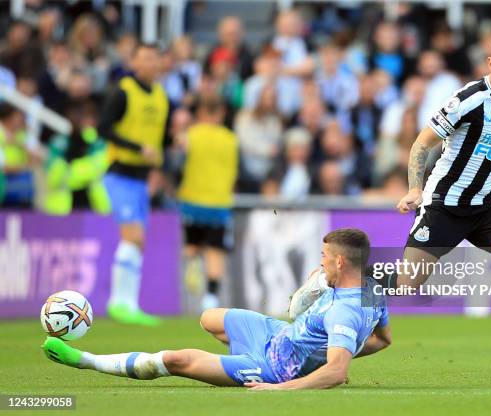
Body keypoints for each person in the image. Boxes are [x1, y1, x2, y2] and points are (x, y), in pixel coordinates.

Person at [42, 228, 391, 389]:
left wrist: (283, 386)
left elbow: (337, 372)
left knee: (177, 360)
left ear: (341, 261)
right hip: (277, 334)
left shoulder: (345, 311)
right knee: (210, 319)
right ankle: (234, 358)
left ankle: (84, 359)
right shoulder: (371, 290)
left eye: (325, 258)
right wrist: (333, 349)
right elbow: (383, 340)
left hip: (274, 368)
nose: (321, 263)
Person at [394, 33, 491, 367]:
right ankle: (329, 280)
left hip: (487, 204)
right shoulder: (469, 99)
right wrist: (413, 188)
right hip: (445, 204)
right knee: (408, 283)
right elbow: (422, 144)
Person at [98, 43, 171, 326]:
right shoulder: (123, 91)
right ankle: (119, 303)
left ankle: (129, 303)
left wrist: (160, 164)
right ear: (135, 63)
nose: (151, 64)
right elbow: (103, 128)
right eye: (145, 59)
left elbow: (160, 140)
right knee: (133, 237)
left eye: (155, 58)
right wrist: (136, 147)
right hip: (120, 174)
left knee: (138, 243)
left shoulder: (162, 97)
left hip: (143, 178)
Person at [177, 97, 238, 311]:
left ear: (201, 113)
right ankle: (211, 297)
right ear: (220, 114)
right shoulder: (230, 139)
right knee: (215, 251)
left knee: (192, 245)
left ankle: (193, 263)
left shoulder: (191, 135)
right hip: (219, 203)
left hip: (192, 200)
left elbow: (178, 158)